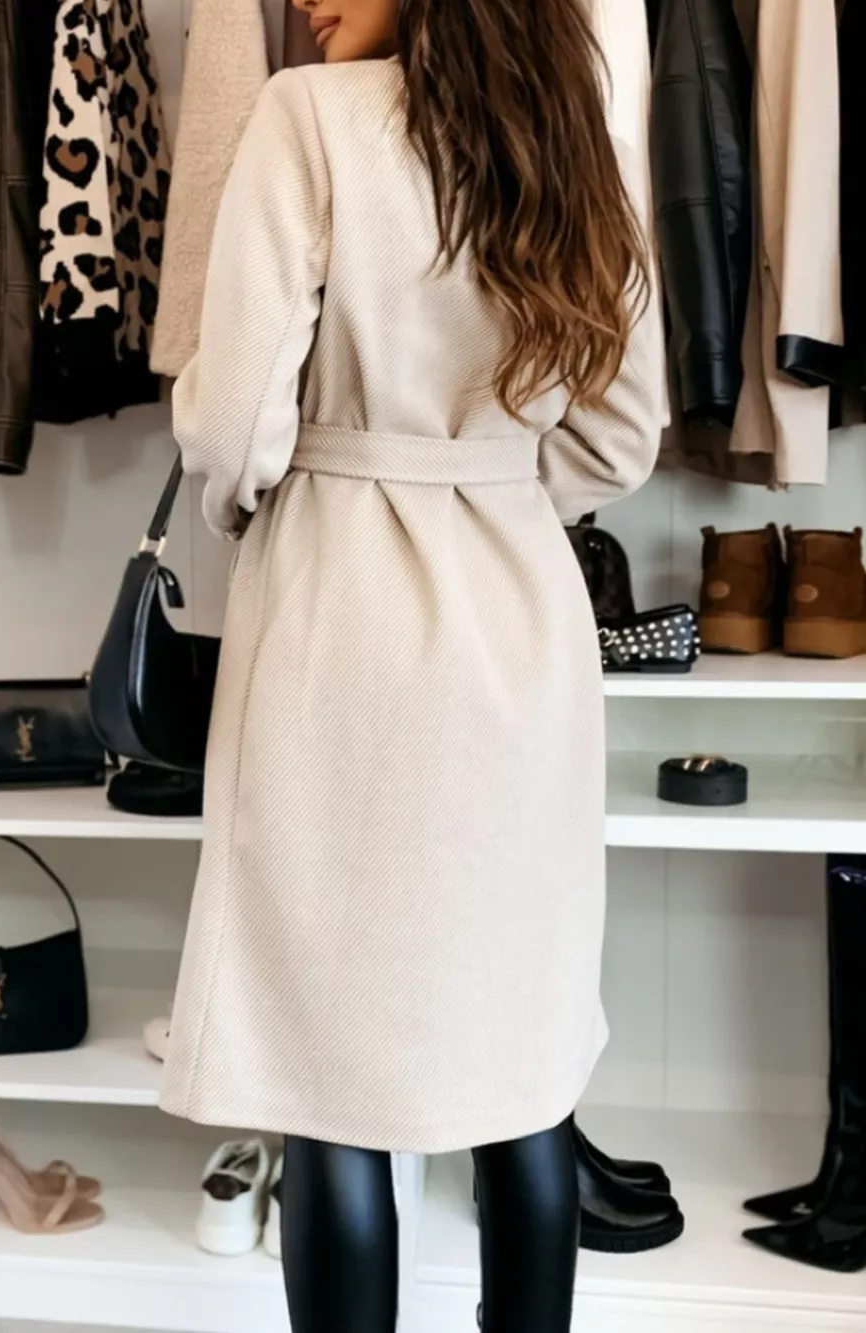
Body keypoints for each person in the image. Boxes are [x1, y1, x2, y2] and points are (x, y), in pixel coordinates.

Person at [160, 0, 663, 1327]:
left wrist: (263, 502)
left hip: (340, 617)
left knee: (325, 1070)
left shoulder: (310, 119)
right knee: (523, 1065)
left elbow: (230, 423)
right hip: (522, 634)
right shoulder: (573, 137)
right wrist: (489, 484)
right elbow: (623, 437)